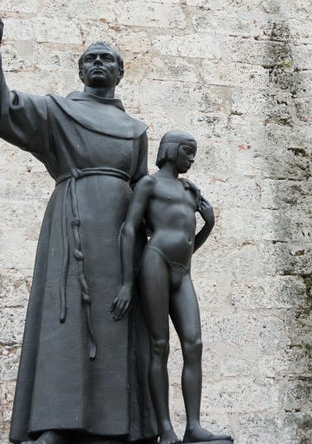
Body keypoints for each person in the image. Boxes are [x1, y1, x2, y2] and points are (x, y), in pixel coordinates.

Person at [0, 4, 156, 444]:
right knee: (65, 318)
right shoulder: (56, 112)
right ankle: (55, 423)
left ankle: (120, 426)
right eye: (90, 58)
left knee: (119, 322)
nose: (97, 63)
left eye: (106, 58)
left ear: (120, 73)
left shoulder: (135, 129)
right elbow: (0, 108)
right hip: (71, 222)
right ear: (79, 71)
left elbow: (143, 186)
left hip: (119, 236)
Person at [119, 131, 233, 444]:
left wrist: (207, 224)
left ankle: (193, 426)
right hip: (155, 262)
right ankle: (165, 428)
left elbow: (187, 244)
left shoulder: (189, 189)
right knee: (159, 345)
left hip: (183, 271)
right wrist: (128, 282)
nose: (192, 159)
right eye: (189, 151)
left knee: (193, 343)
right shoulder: (149, 184)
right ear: (171, 151)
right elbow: (130, 229)